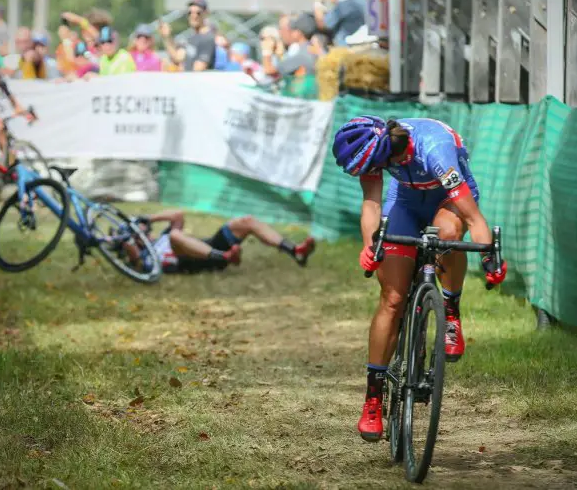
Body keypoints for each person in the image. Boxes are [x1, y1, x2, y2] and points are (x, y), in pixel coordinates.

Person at [331, 116, 507, 441]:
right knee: (393, 299)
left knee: (448, 233)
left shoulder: (435, 150)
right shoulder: (376, 148)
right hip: (406, 203)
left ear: (384, 153)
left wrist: (489, 258)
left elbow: (472, 217)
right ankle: (373, 395)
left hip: (448, 202)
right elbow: (371, 204)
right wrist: (371, 246)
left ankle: (451, 310)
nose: (365, 173)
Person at [124, 210, 317, 274]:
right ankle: (225, 256)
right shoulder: (144, 258)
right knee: (175, 236)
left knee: (246, 221)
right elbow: (136, 262)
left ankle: (295, 251)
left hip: (209, 246)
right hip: (193, 262)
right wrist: (127, 240)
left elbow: (177, 215)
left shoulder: (161, 237)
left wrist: (147, 218)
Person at [159, 0, 216, 72]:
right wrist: (166, 37)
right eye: (190, 12)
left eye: (198, 13)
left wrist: (179, 70)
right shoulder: (191, 37)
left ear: (206, 13)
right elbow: (177, 57)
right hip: (188, 81)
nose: (193, 16)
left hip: (196, 82)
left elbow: (198, 69)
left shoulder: (208, 38)